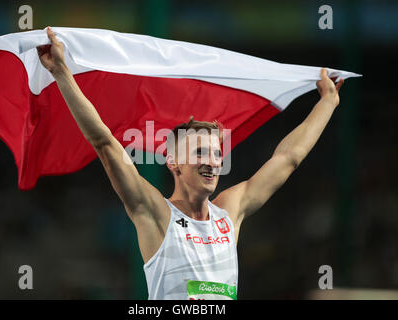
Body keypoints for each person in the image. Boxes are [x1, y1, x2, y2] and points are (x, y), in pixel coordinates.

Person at [37, 27, 344, 300]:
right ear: (174, 163)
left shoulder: (229, 213)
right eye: (199, 153)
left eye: (216, 153)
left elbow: (287, 158)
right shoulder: (156, 214)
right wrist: (62, 73)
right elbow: (106, 145)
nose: (212, 162)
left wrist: (327, 103)